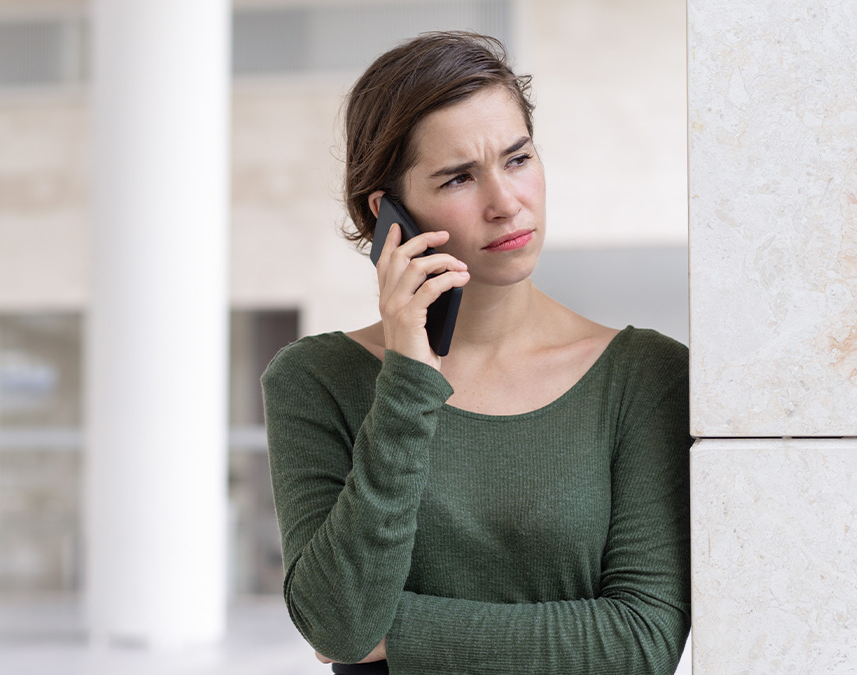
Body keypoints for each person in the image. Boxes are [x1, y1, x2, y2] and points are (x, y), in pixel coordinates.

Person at [261, 31, 691, 674]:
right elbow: (343, 623)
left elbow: (639, 643)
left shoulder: (643, 375)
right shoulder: (315, 380)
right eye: (459, 177)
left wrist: (397, 632)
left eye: (517, 159)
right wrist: (408, 379)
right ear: (390, 213)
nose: (506, 203)